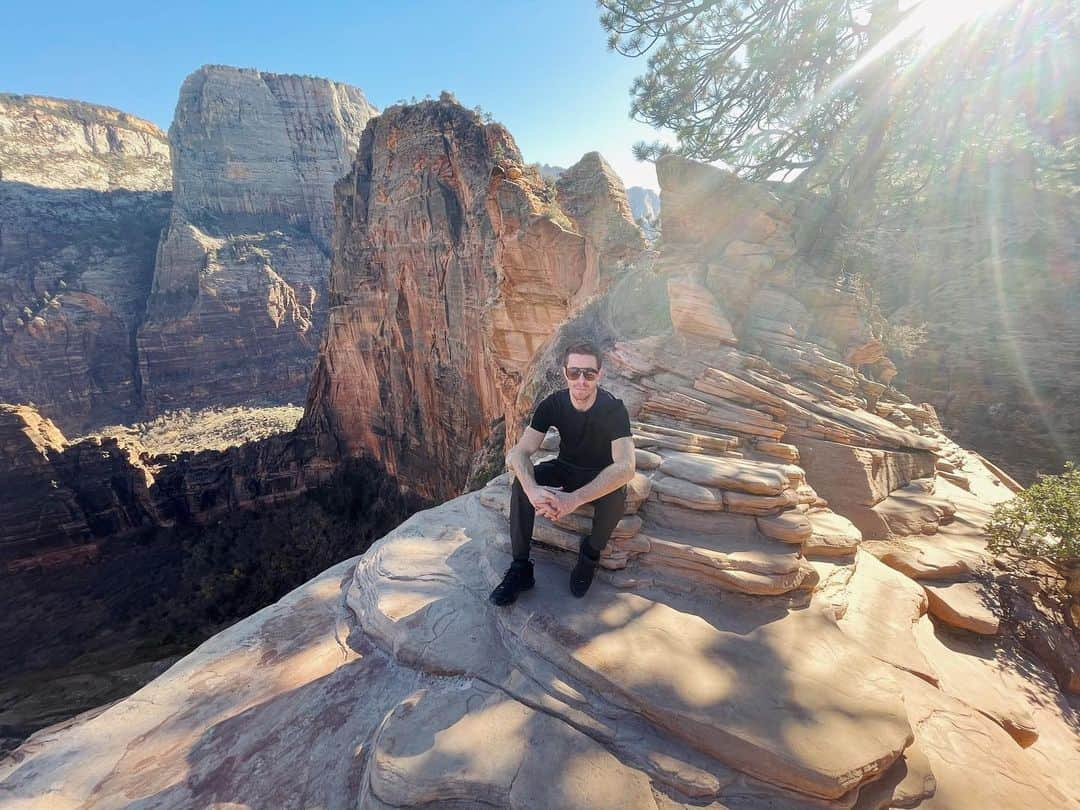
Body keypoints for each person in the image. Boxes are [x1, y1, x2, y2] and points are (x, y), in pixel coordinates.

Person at [489, 341, 636, 605]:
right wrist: (533, 491)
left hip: (599, 474)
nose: (581, 380)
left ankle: (590, 554)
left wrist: (574, 500)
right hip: (565, 468)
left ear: (599, 375)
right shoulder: (552, 405)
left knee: (616, 498)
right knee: (522, 484)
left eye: (589, 374)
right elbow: (519, 453)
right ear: (564, 372)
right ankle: (521, 568)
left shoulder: (613, 410)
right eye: (574, 372)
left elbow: (625, 467)